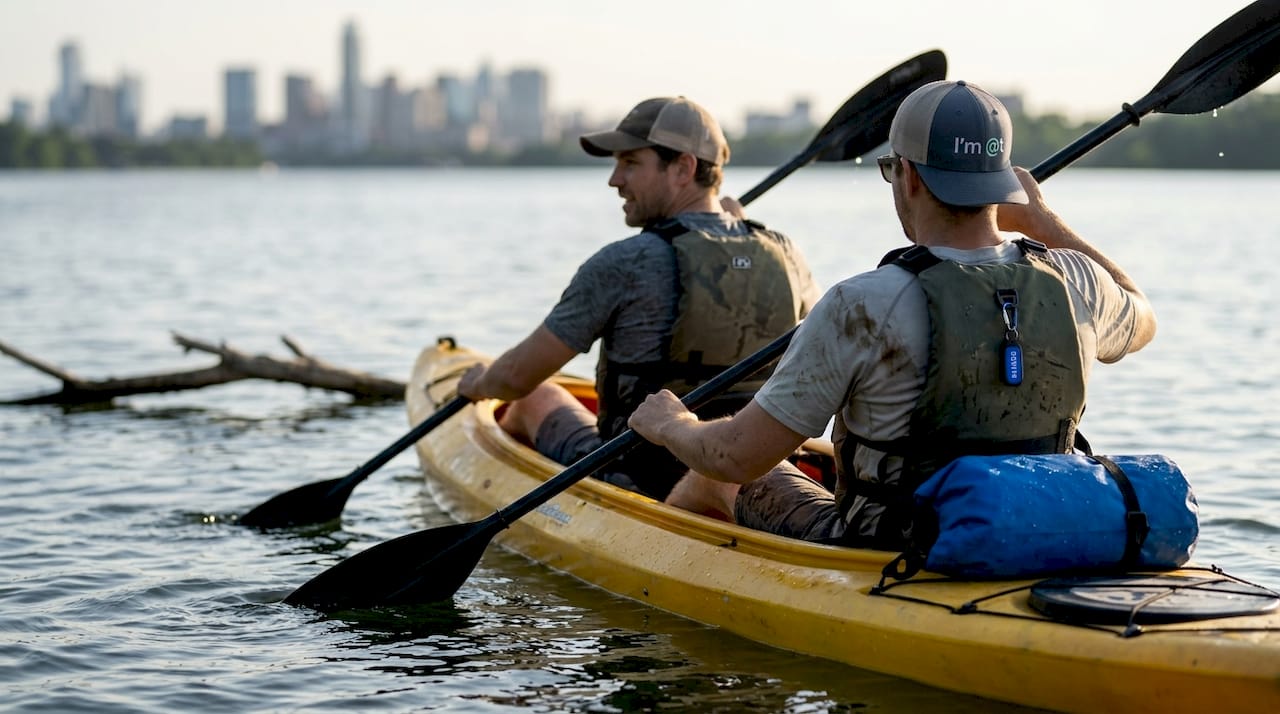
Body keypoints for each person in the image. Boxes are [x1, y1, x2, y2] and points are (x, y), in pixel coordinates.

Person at [627, 80, 1158, 549]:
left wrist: (673, 424)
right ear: (1003, 182)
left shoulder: (860, 304)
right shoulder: (1076, 280)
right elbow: (1143, 314)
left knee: (713, 478)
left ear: (907, 177)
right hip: (1036, 525)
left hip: (891, 545)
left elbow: (734, 456)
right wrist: (1044, 222)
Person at [457, 96, 821, 501]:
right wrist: (734, 232)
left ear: (683, 168)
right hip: (755, 465)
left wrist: (479, 383)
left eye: (630, 163)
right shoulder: (785, 252)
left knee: (532, 397)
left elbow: (515, 377)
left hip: (638, 476)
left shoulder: (624, 263)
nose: (615, 180)